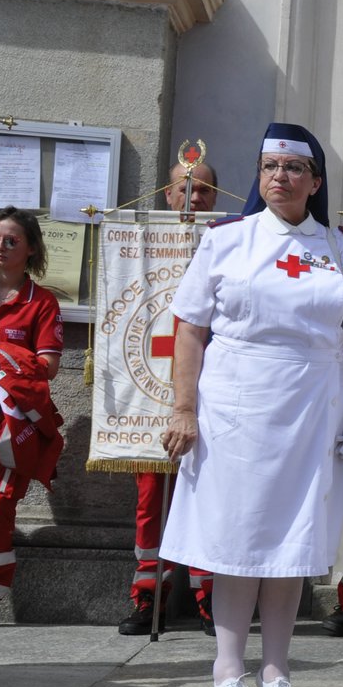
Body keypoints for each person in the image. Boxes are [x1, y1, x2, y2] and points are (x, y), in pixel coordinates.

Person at [160, 122, 343, 687]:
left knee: (292, 541)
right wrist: (184, 408)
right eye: (270, 166)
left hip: (312, 410)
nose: (280, 177)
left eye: (294, 168)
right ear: (260, 176)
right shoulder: (227, 241)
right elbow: (190, 330)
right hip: (235, 406)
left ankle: (277, 670)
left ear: (315, 180)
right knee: (237, 539)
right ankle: (227, 669)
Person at [118, 160, 219, 637]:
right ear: (166, 194)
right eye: (185, 188)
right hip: (155, 395)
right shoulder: (143, 244)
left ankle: (211, 600)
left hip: (214, 397)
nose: (194, 198)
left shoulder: (227, 242)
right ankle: (147, 599)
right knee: (150, 503)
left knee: (212, 499)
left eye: (203, 190)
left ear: (216, 198)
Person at [0, 208, 65, 619]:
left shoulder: (42, 302)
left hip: (10, 426)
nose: (0, 247)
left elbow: (50, 365)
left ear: (31, 248)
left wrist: (1, 359)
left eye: (11, 240)